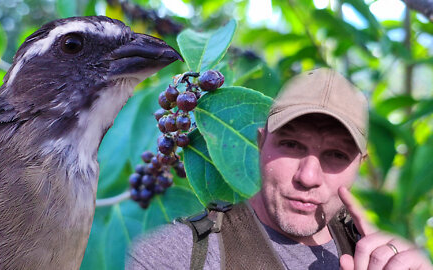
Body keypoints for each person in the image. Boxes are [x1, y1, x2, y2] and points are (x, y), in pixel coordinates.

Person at [126, 68, 433, 269]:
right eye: (291, 146)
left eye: (337, 155)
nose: (307, 177)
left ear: (359, 165)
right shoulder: (172, 256)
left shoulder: (381, 258)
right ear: (259, 144)